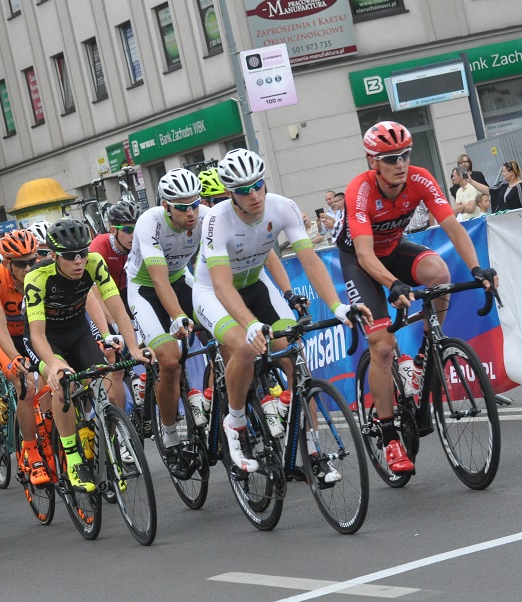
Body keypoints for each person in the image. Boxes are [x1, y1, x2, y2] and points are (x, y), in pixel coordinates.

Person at [338, 121, 497, 474]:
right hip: (360, 261)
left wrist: (477, 269)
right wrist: (393, 284)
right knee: (381, 346)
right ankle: (390, 434)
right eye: (390, 157)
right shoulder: (360, 191)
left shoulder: (421, 179)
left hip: (394, 248)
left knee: (439, 274)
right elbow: (364, 256)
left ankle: (426, 350)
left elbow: (453, 226)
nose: (400, 163)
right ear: (372, 162)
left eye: (405, 154)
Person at [193, 149, 360, 474]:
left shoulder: (283, 207)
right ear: (230, 194)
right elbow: (223, 286)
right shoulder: (217, 219)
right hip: (213, 292)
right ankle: (235, 421)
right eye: (243, 190)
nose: (254, 195)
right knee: (242, 345)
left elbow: (309, 260)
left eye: (258, 185)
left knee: (294, 355)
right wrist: (252, 324)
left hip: (256, 285)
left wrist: (339, 306)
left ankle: (312, 452)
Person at [24, 218, 149, 492]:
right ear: (55, 256)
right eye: (70, 256)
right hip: (46, 338)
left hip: (77, 331)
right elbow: (36, 335)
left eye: (82, 252)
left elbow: (117, 307)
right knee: (61, 387)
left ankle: (105, 438)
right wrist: (54, 363)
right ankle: (72, 458)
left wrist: (134, 347)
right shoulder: (36, 277)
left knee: (103, 382)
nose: (79, 260)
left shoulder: (94, 262)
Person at [125, 168, 208, 478]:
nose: (191, 212)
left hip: (180, 280)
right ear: (166, 205)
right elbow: (159, 281)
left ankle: (221, 402)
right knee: (171, 363)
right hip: (146, 290)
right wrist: (178, 317)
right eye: (182, 206)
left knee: (229, 336)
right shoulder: (150, 223)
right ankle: (171, 435)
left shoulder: (206, 217)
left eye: (195, 204)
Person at [0, 229, 46, 483]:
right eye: (21, 264)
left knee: (55, 379)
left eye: (33, 260)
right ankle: (31, 452)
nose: (29, 267)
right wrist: (15, 358)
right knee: (26, 387)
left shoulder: (41, 271)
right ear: (7, 263)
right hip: (2, 336)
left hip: (32, 331)